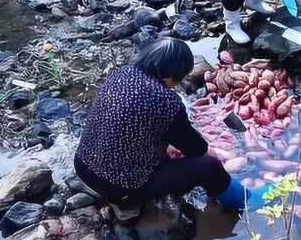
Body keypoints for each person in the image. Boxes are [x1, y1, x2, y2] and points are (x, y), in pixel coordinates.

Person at [74, 38, 265, 218]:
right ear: (170, 75)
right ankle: (247, 199)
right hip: (117, 186)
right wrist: (213, 155)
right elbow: (196, 149)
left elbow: (127, 126)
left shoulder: (121, 74)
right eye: (178, 78)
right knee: (209, 166)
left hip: (83, 166)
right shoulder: (166, 102)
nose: (176, 84)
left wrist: (165, 146)